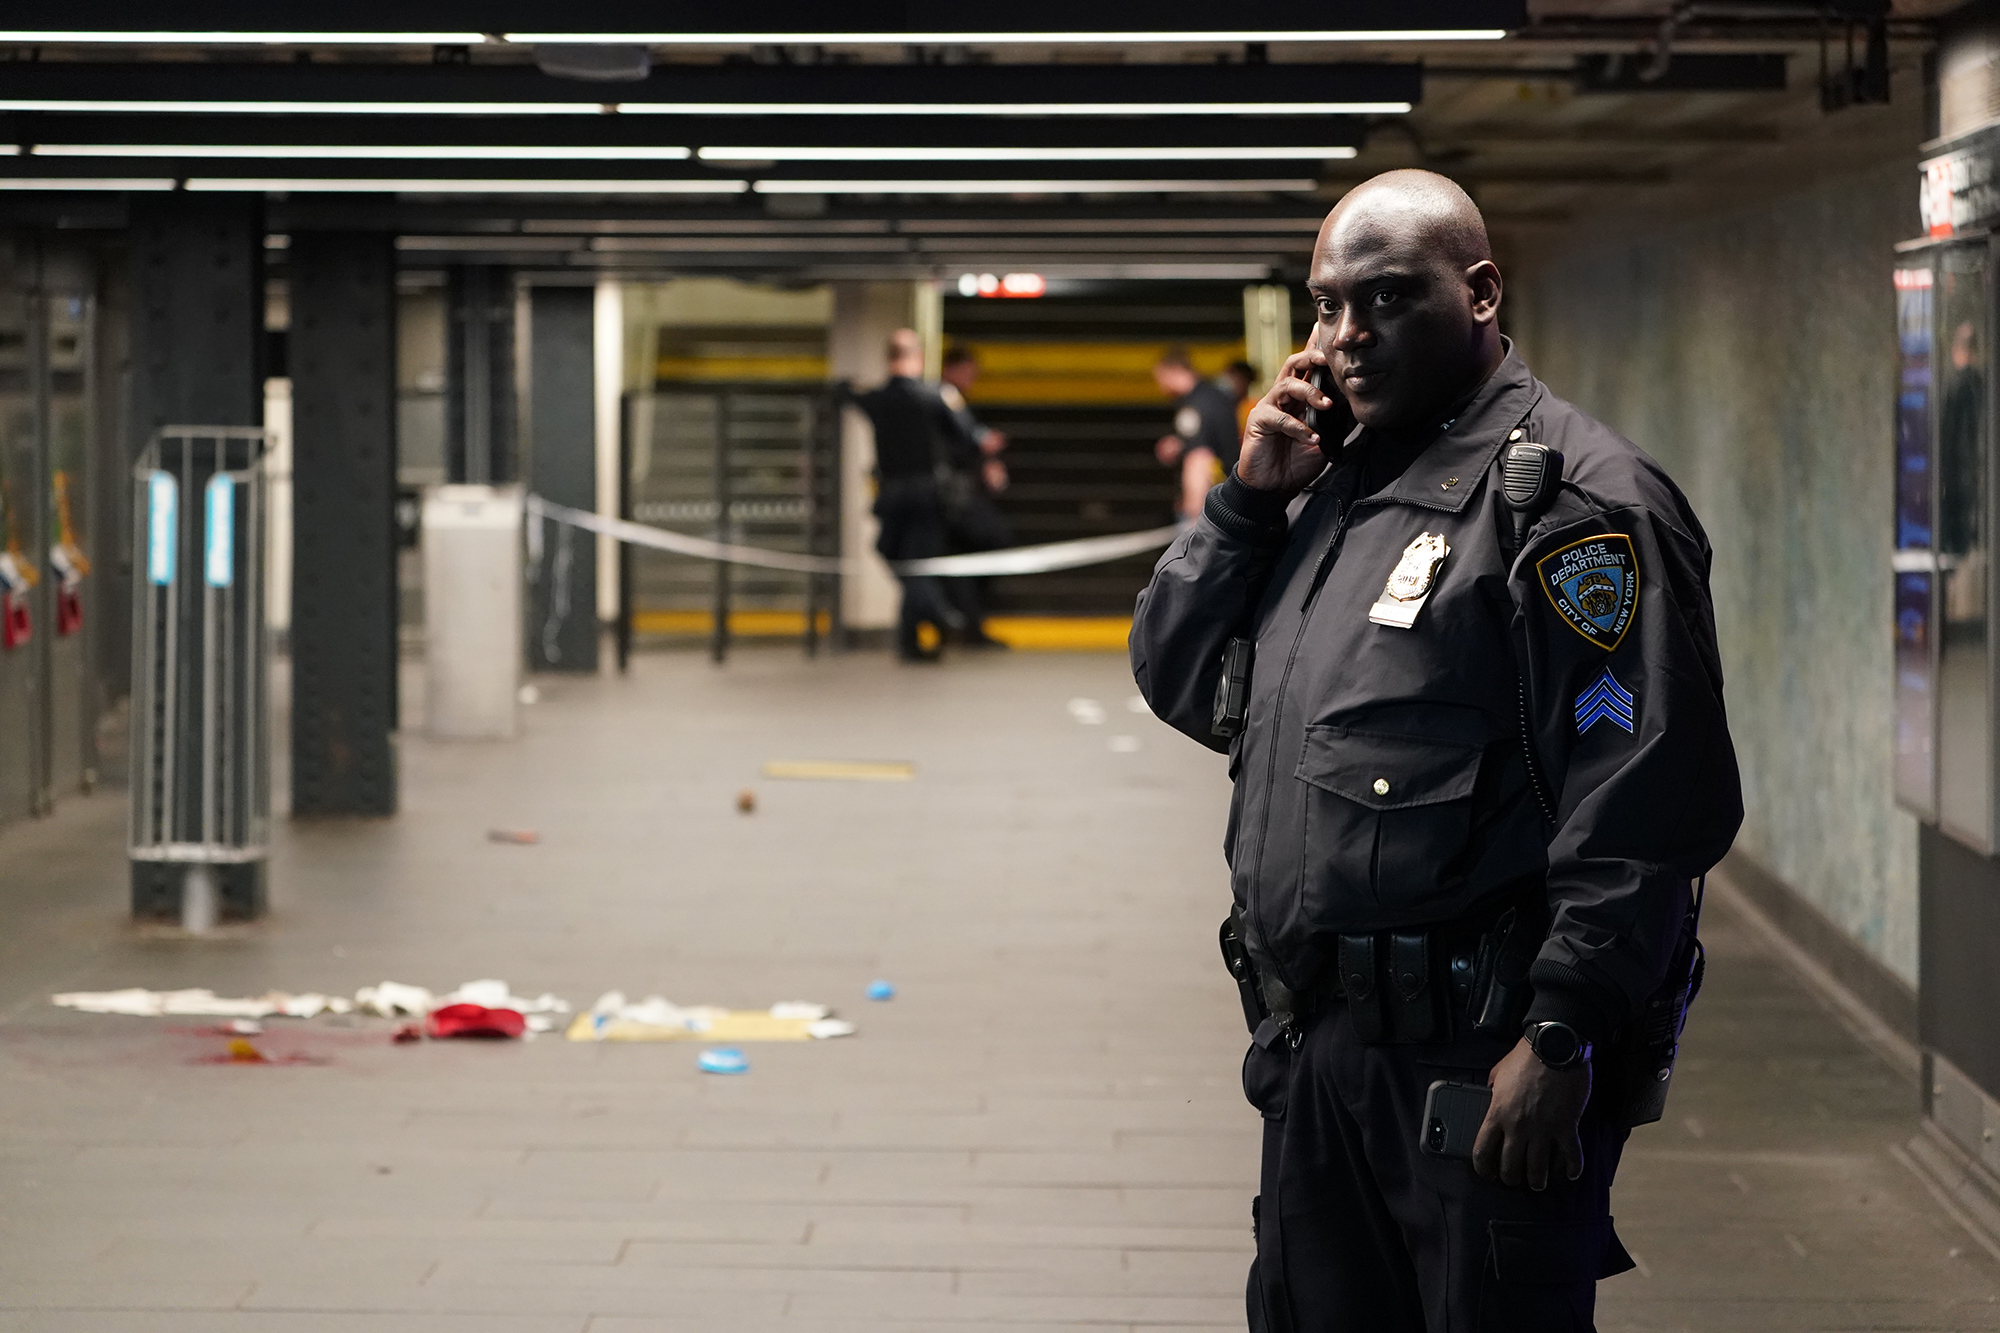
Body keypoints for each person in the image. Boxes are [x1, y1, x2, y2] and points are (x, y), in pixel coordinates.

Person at [1129, 169, 1742, 1331]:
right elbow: (1176, 677)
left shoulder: (1571, 507)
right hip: (1318, 1055)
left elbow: (1641, 795)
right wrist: (1247, 505)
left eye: (1386, 298)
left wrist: (1560, 1034)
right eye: (1324, 305)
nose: (1345, 336)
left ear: (1478, 293)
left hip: (1476, 1062)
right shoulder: (1332, 488)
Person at [852, 329, 961, 662]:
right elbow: (963, 436)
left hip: (893, 494)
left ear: (889, 358)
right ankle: (940, 615)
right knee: (916, 566)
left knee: (897, 556)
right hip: (927, 497)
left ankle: (909, 641)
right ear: (918, 357)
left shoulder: (878, 397)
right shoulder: (935, 396)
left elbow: (844, 394)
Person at [937, 346, 1014, 648]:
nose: (972, 379)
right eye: (969, 372)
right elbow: (961, 443)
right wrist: (984, 449)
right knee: (988, 545)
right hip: (957, 498)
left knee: (969, 559)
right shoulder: (944, 398)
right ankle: (963, 621)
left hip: (961, 494)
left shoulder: (953, 400)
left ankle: (967, 622)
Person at [1153, 347, 1245, 523]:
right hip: (1229, 497)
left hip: (1211, 508)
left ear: (1172, 371)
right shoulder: (1212, 396)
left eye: (1160, 378)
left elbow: (1200, 458)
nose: (1160, 386)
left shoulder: (1195, 407)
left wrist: (1193, 513)